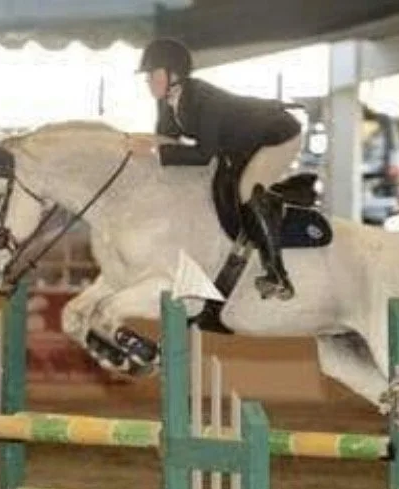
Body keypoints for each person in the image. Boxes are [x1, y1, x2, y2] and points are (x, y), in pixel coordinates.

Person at [129, 38, 302, 299]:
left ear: (173, 74)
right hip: (239, 145)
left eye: (153, 74)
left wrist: (153, 150)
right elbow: (166, 140)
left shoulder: (204, 99)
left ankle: (277, 273)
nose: (148, 81)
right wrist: (138, 143)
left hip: (277, 135)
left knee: (247, 189)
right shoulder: (167, 100)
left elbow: (203, 155)